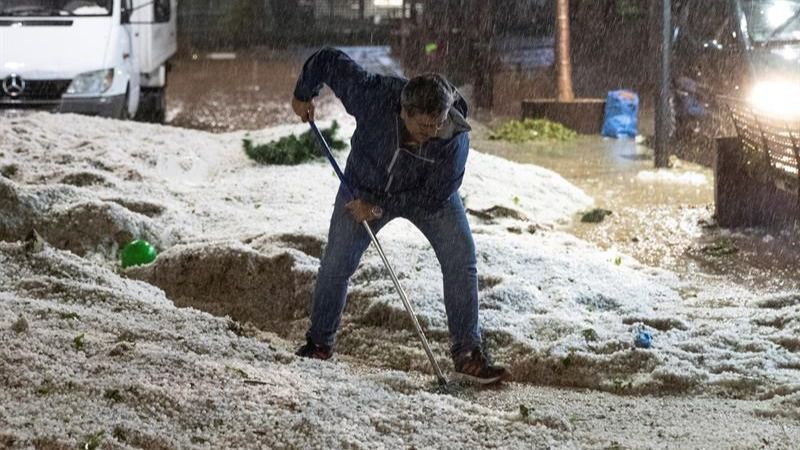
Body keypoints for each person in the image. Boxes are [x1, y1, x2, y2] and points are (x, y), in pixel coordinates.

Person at [291, 47, 509, 384]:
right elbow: (328, 60)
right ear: (403, 111)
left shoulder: (453, 137)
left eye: (436, 124)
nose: (430, 132)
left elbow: (434, 194)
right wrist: (303, 93)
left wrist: (378, 208)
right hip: (364, 187)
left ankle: (468, 354)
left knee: (461, 259)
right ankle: (319, 342)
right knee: (336, 262)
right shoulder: (374, 96)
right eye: (422, 125)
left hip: (428, 198)